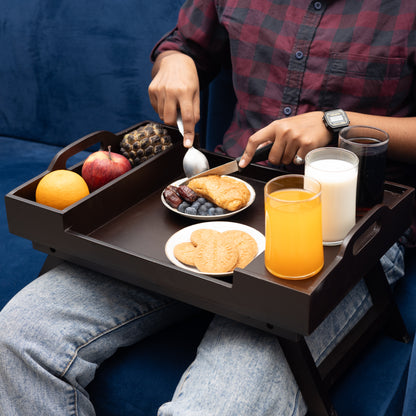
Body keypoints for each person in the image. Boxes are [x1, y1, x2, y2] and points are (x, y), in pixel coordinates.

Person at [0, 1, 415, 415]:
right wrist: (175, 60)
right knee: (18, 338)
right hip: (225, 197)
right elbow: (184, 44)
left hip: (348, 227)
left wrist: (336, 122)